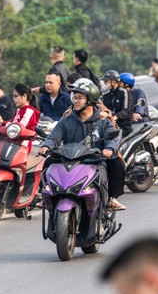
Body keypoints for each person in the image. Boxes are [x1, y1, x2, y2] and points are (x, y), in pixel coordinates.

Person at [38, 79, 126, 211]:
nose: (76, 101)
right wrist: (47, 145)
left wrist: (108, 148)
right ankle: (44, 195)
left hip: (95, 161)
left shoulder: (103, 121)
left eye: (80, 98)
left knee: (117, 163)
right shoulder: (66, 120)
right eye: (75, 97)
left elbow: (112, 138)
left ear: (90, 100)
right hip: (69, 160)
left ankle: (110, 199)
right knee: (48, 162)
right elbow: (54, 136)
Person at [0, 83, 41, 152]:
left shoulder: (29, 111)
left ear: (24, 96)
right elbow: (12, 126)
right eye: (13, 97)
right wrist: (0, 121)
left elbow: (17, 130)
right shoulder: (19, 110)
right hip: (13, 144)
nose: (14, 99)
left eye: (16, 96)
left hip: (22, 147)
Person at [101, 69, 134, 136]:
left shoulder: (124, 92)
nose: (104, 84)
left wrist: (115, 117)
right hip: (108, 125)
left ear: (113, 82)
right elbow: (103, 109)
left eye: (106, 81)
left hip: (123, 126)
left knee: (112, 137)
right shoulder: (105, 95)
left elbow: (127, 110)